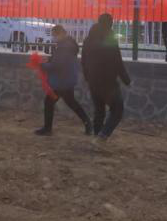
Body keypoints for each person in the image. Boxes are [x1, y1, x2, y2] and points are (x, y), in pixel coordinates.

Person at [34, 25, 92, 136]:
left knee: (49, 102)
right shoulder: (68, 44)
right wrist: (49, 59)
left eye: (54, 35)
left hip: (62, 81)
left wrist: (42, 65)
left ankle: (47, 129)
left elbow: (57, 65)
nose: (53, 38)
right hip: (66, 79)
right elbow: (59, 60)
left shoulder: (64, 47)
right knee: (71, 102)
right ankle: (88, 124)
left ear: (60, 34)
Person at [81, 13, 131, 142]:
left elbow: (83, 61)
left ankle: (97, 135)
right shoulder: (110, 38)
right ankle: (103, 135)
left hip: (93, 81)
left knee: (99, 110)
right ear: (110, 23)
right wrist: (126, 80)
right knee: (117, 110)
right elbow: (117, 61)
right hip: (108, 82)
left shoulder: (88, 40)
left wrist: (87, 77)